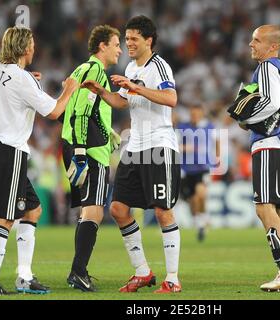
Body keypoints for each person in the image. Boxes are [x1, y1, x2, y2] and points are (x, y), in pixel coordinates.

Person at [81, 15, 182, 293]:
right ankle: (142, 271)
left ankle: (172, 278)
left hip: (159, 145)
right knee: (118, 209)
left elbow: (171, 98)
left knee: (163, 212)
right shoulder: (129, 66)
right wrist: (102, 91)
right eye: (126, 40)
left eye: (134, 39)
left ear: (149, 40)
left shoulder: (159, 67)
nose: (129, 44)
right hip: (135, 146)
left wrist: (136, 86)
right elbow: (121, 101)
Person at [0, 26, 78, 295]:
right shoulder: (22, 79)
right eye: (32, 44)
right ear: (24, 48)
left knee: (32, 211)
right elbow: (55, 110)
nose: (34, 48)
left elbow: (8, 89)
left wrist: (28, 81)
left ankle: (24, 276)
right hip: (9, 151)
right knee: (4, 219)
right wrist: (68, 90)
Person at [61, 25, 122, 292]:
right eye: (116, 44)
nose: (120, 49)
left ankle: (78, 270)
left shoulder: (80, 70)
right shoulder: (96, 70)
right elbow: (83, 113)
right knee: (94, 212)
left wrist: (108, 131)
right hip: (89, 150)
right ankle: (78, 272)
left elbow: (76, 108)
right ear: (102, 46)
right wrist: (82, 153)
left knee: (88, 210)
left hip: (77, 142)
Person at [240, 25, 280, 292]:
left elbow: (272, 103)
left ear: (272, 46)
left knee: (264, 207)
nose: (251, 44)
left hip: (270, 143)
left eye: (256, 40)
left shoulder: (267, 67)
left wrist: (246, 119)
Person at [177, 104, 219, 242]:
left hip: (203, 167)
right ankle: (200, 221)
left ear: (201, 114)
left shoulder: (209, 127)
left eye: (197, 114)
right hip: (186, 169)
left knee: (201, 193)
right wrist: (185, 148)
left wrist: (216, 158)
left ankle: (203, 217)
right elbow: (174, 144)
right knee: (192, 199)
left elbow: (217, 142)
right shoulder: (182, 128)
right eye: (192, 114)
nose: (194, 116)